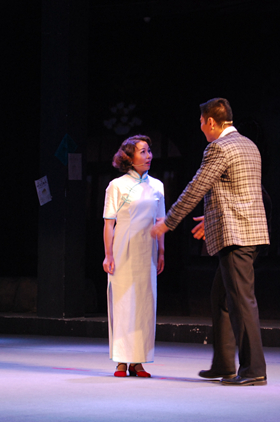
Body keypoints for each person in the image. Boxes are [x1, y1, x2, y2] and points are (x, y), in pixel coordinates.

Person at [151, 98, 270, 386]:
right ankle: (224, 364)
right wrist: (213, 217)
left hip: (236, 236)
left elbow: (196, 187)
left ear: (212, 122)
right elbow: (242, 190)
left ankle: (254, 370)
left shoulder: (219, 147)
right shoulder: (248, 145)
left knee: (241, 302)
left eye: (202, 123)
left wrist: (168, 222)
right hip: (249, 231)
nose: (201, 128)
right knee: (222, 298)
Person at [103, 134, 165, 378]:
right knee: (123, 303)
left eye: (149, 151)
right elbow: (109, 223)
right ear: (129, 157)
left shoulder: (157, 186)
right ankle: (121, 360)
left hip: (147, 250)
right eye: (142, 151)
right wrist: (108, 255)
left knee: (144, 304)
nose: (148, 156)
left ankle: (138, 361)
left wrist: (161, 251)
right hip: (123, 248)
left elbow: (161, 221)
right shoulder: (116, 185)